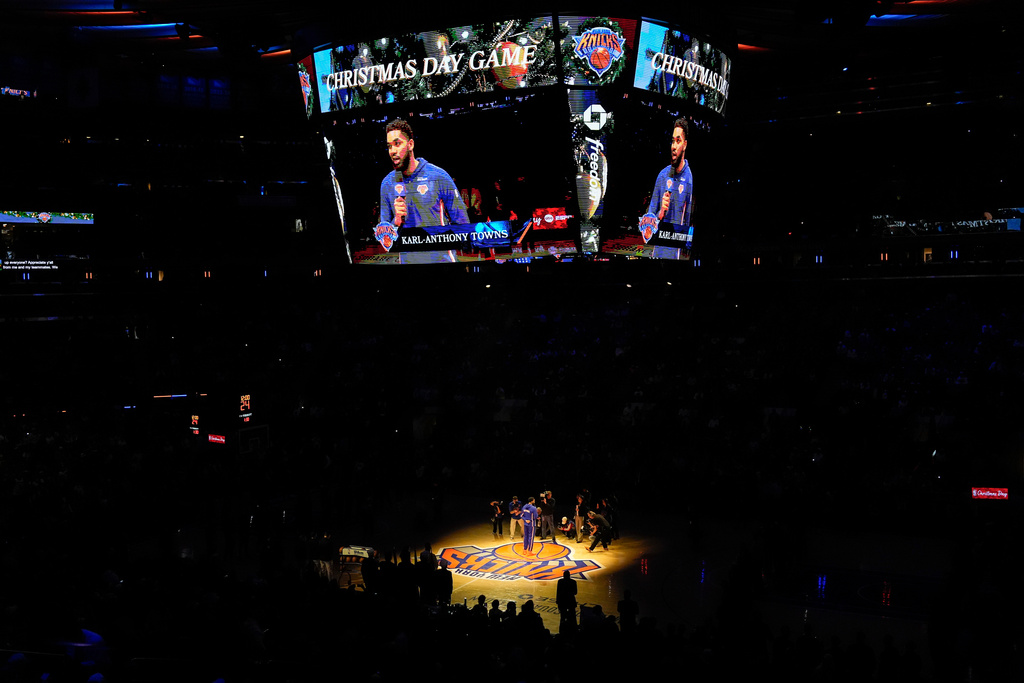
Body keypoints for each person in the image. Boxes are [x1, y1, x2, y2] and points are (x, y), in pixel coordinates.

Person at [379, 118, 469, 228]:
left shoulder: (438, 176)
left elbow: (462, 224)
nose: (392, 151)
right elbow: (384, 237)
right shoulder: (387, 184)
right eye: (389, 146)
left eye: (397, 143)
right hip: (403, 245)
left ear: (410, 144)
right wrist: (396, 221)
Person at [646, 117, 693, 230]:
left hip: (676, 246)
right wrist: (660, 213)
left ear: (685, 145)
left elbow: (688, 221)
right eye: (672, 141)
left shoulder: (689, 178)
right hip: (658, 246)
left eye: (678, 141)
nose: (674, 147)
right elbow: (647, 225)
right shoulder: (662, 176)